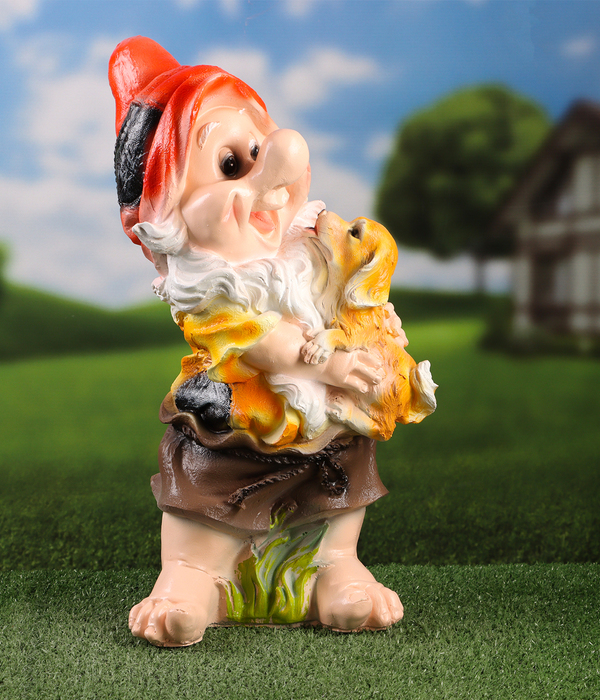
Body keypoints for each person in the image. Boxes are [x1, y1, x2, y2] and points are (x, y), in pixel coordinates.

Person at [110, 36, 403, 647]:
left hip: (321, 423)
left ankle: (334, 567)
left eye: (257, 149)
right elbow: (262, 345)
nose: (272, 174)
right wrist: (330, 367)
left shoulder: (305, 251)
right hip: (238, 417)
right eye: (231, 166)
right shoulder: (213, 294)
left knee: (338, 477)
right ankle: (191, 577)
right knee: (210, 485)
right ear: (170, 222)